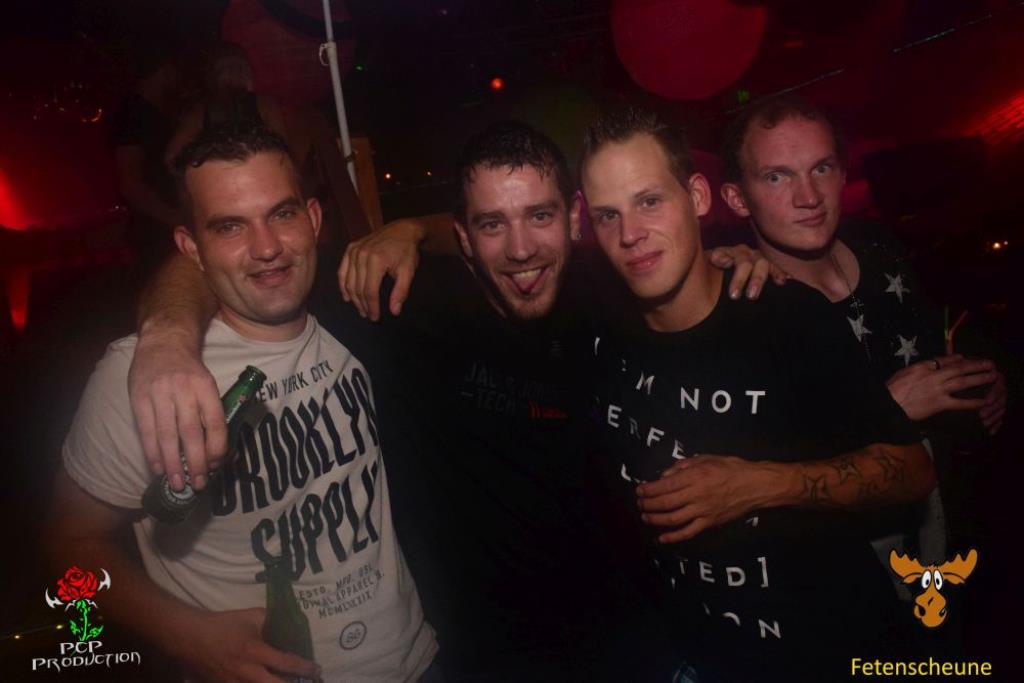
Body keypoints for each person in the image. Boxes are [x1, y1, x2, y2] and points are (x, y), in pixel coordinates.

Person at [45, 123, 438, 683]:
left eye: (282, 214)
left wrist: (409, 228)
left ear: (313, 219)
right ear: (191, 249)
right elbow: (66, 546)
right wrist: (186, 635)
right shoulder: (149, 375)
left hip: (417, 662)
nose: (267, 247)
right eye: (229, 226)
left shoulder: (358, 312)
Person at [578, 107, 936, 682]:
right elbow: (506, 245)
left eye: (650, 201)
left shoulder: (788, 318)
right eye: (607, 215)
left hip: (829, 656)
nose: (630, 233)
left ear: (697, 197)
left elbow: (912, 472)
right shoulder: (600, 338)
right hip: (699, 660)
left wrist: (758, 486)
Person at [714, 95, 1007, 577]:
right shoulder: (746, 311)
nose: (809, 197)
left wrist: (985, 380)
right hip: (852, 565)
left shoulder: (878, 245)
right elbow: (764, 478)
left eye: (822, 168)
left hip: (959, 526)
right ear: (737, 198)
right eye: (777, 176)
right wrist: (887, 411)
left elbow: (942, 337)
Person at [113, 41, 183, 275]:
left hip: (163, 225)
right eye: (175, 68)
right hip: (154, 230)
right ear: (164, 69)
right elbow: (130, 182)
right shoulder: (134, 113)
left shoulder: (154, 112)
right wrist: (174, 217)